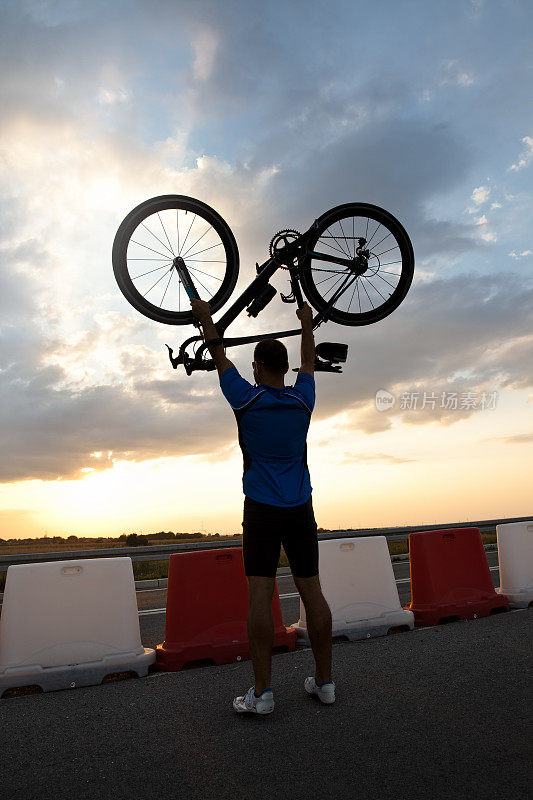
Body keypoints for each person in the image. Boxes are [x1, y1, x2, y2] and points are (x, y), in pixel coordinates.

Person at [190, 297, 335, 715]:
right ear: (285, 368)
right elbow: (309, 361)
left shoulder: (245, 399)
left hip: (261, 509)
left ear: (255, 368)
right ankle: (325, 683)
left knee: (260, 594)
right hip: (300, 507)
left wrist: (205, 318)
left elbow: (218, 354)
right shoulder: (303, 400)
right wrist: (307, 323)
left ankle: (263, 694)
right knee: (313, 591)